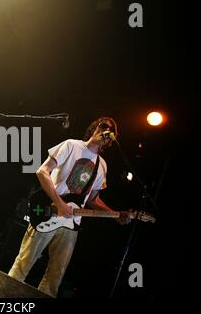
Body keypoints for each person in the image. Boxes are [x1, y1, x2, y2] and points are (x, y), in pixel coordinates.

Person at [8, 117, 131, 298]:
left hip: (72, 224)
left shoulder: (102, 166)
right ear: (94, 128)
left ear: (111, 140)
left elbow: (94, 199)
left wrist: (115, 214)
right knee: (24, 262)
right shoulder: (71, 145)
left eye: (110, 129)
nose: (106, 130)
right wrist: (59, 203)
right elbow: (42, 171)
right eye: (103, 126)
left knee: (55, 276)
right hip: (50, 212)